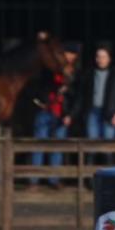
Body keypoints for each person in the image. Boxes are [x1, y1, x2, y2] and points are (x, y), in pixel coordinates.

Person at [29, 43, 77, 188]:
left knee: (57, 147)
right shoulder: (48, 70)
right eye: (65, 53)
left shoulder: (76, 74)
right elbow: (38, 87)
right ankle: (34, 180)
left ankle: (53, 179)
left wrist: (70, 114)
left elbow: (78, 96)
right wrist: (40, 101)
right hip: (45, 110)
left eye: (70, 53)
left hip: (62, 113)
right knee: (39, 145)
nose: (67, 56)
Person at [67, 46, 115, 141]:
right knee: (91, 145)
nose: (100, 59)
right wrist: (72, 114)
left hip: (110, 113)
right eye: (98, 56)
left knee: (108, 146)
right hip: (92, 112)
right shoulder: (88, 75)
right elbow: (81, 97)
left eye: (103, 57)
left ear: (109, 59)